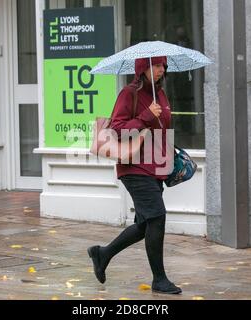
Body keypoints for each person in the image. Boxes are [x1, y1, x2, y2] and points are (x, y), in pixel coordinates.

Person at [88, 56, 182, 295]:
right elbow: (117, 129)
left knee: (144, 224)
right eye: (156, 66)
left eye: (163, 66)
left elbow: (163, 129)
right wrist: (145, 117)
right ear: (142, 69)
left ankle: (103, 253)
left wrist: (169, 160)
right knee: (157, 216)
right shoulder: (128, 94)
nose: (161, 70)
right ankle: (159, 279)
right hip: (134, 166)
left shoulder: (160, 94)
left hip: (156, 166)